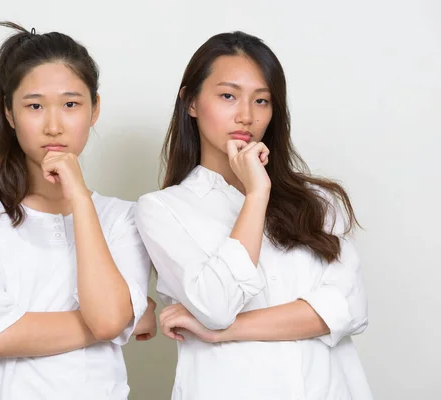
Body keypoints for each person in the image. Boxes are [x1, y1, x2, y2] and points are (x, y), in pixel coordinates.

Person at [135, 31, 371, 400]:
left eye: (261, 100)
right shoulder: (162, 209)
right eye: (228, 96)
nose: (246, 116)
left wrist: (224, 332)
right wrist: (257, 195)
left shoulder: (318, 201)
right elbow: (216, 306)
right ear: (191, 102)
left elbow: (349, 310)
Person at [0, 21, 154, 400]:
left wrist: (81, 202)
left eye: (71, 104)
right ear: (9, 114)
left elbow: (106, 317)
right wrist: (124, 319)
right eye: (35, 106)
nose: (54, 126)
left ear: (94, 109)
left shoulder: (123, 218)